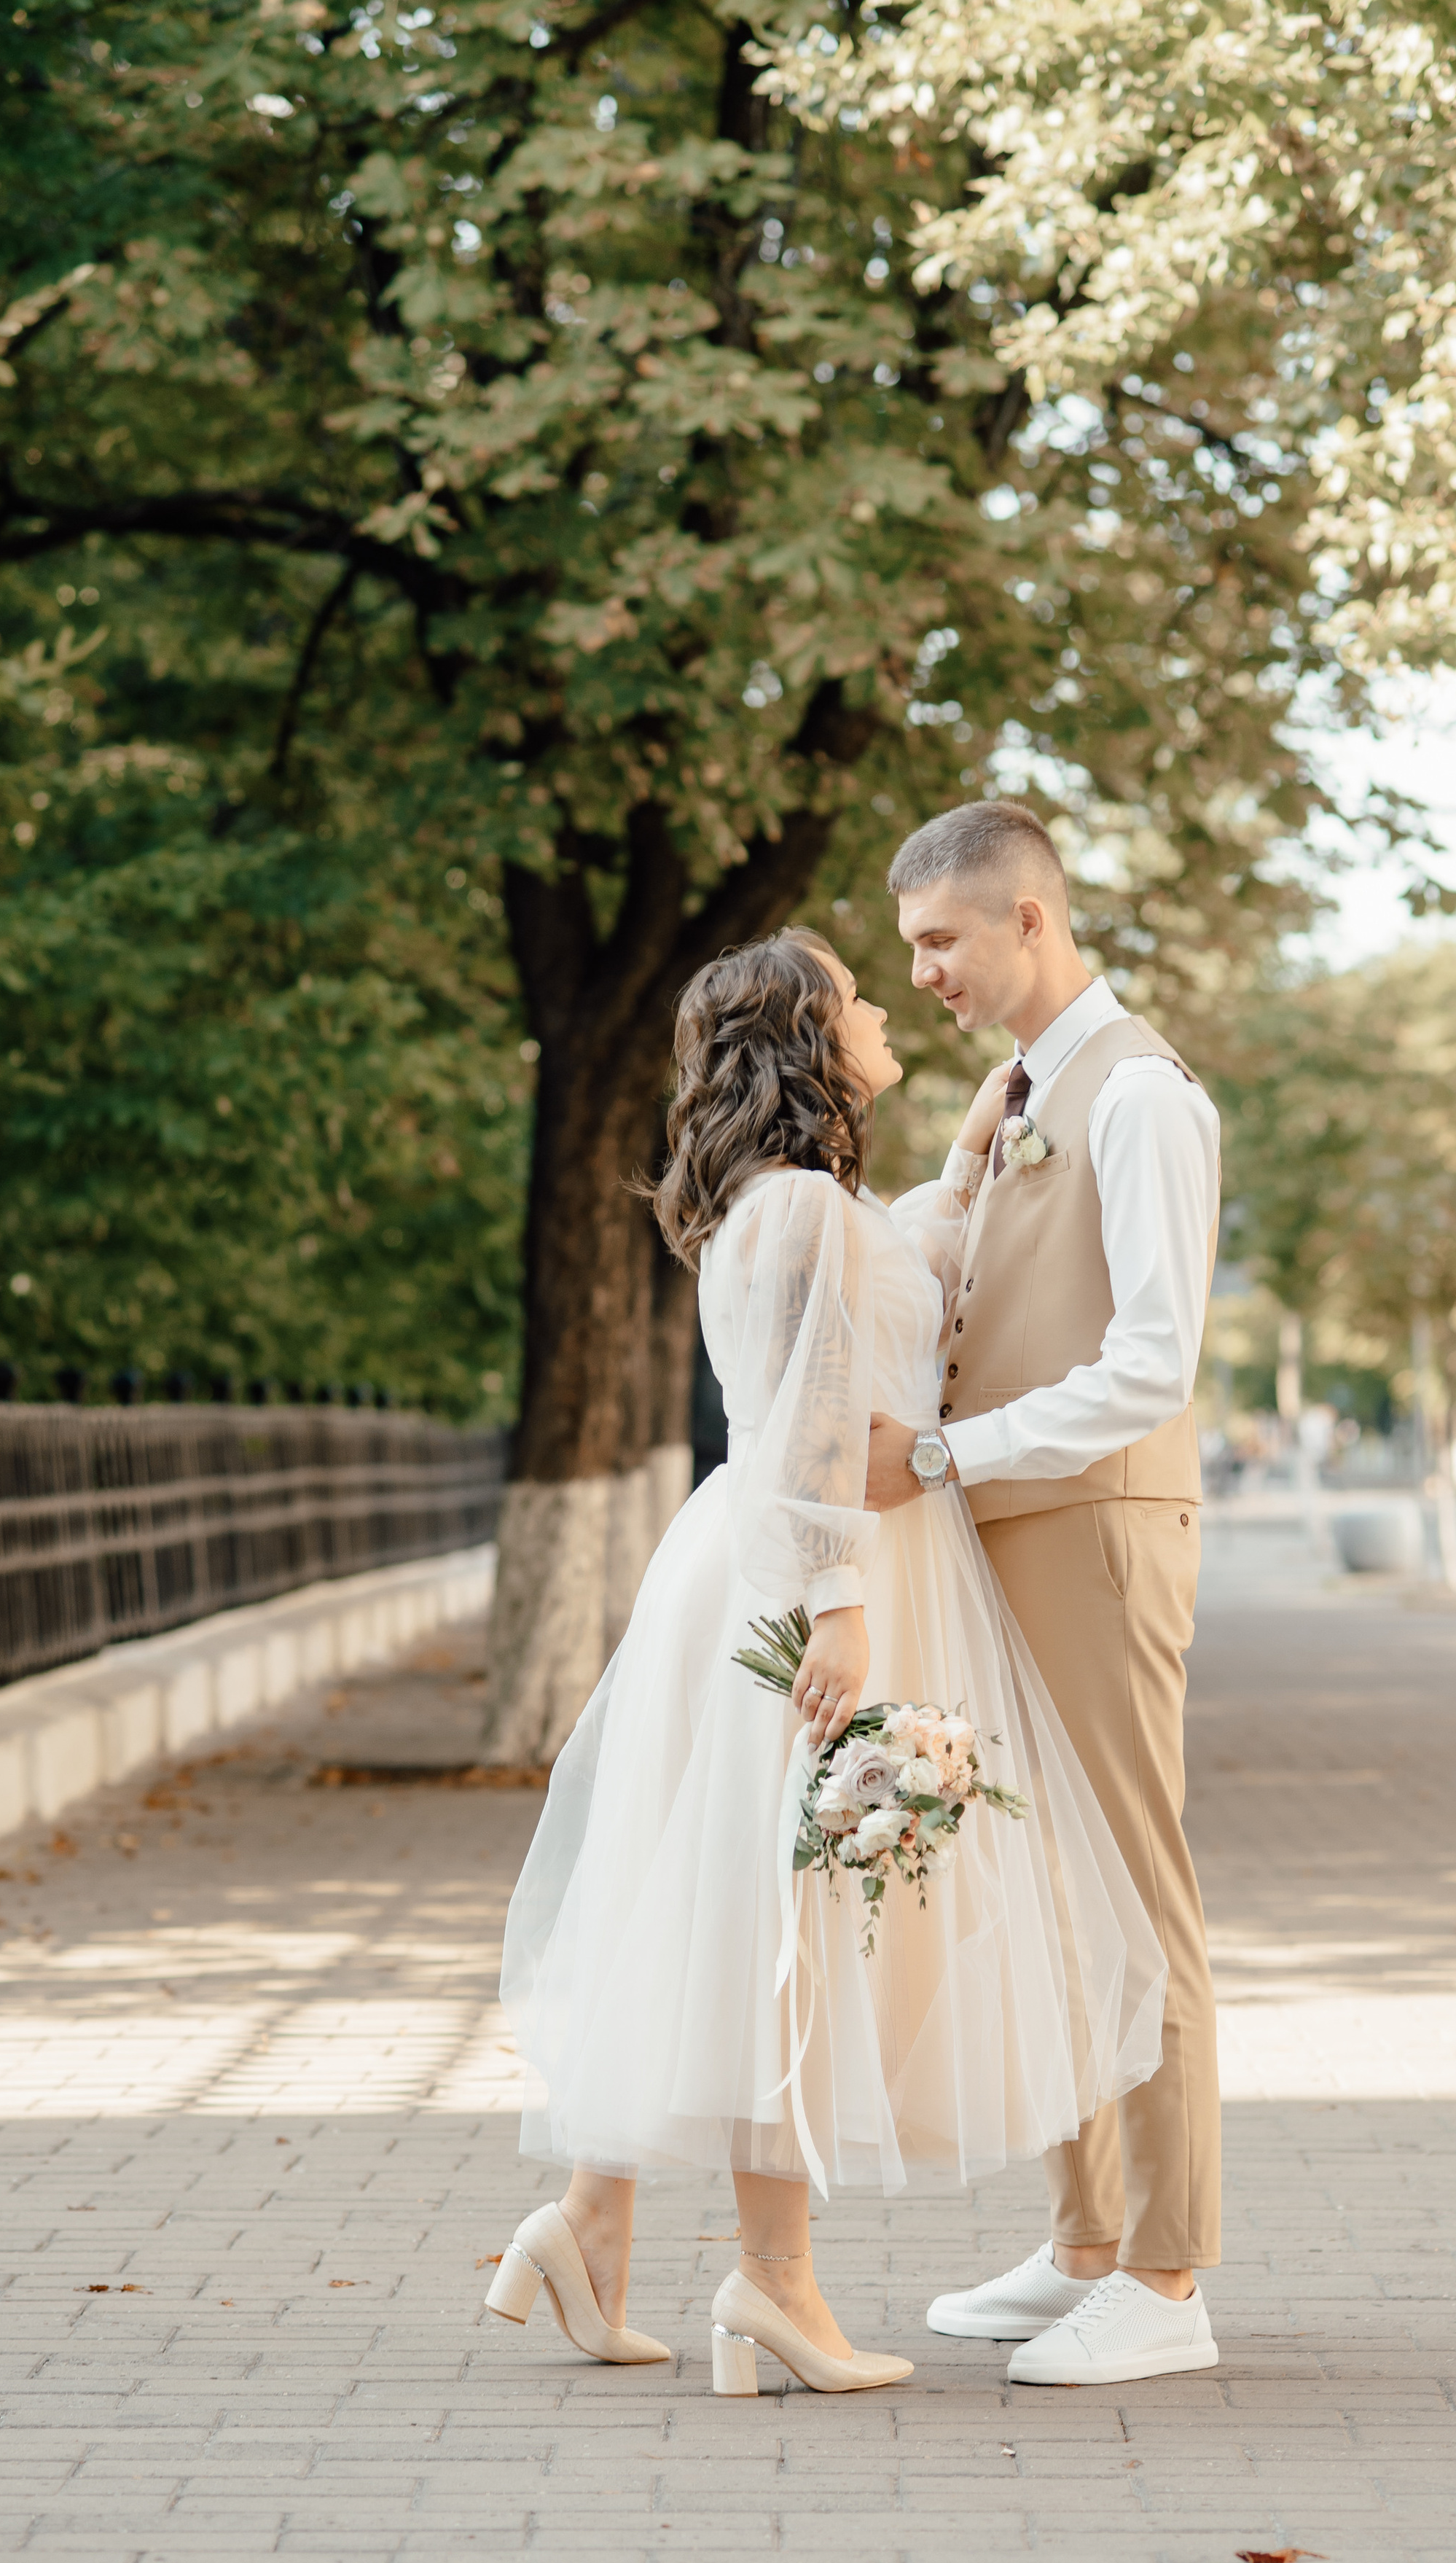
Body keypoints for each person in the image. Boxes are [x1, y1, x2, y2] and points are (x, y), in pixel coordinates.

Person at [491, 926, 1166, 2399]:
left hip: (771, 1571)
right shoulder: (796, 1216)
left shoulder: (805, 1209)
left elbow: (883, 1301)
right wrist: (842, 1607)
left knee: (732, 1906)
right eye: (857, 994)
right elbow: (799, 1432)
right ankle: (773, 2288)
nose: (879, 1007)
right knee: (786, 1929)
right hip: (803, 1581)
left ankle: (588, 2226)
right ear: (806, 1038)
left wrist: (968, 1168)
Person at [864, 797, 1225, 2388]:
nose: (926, 973)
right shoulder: (1012, 1091)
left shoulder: (1138, 1094)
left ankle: (1165, 2274)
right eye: (909, 952)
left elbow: (1151, 1359)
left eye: (939, 941)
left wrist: (941, 1454)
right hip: (1010, 1526)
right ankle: (1084, 2243)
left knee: (1135, 1897)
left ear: (1027, 919)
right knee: (1057, 1898)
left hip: (1092, 1524)